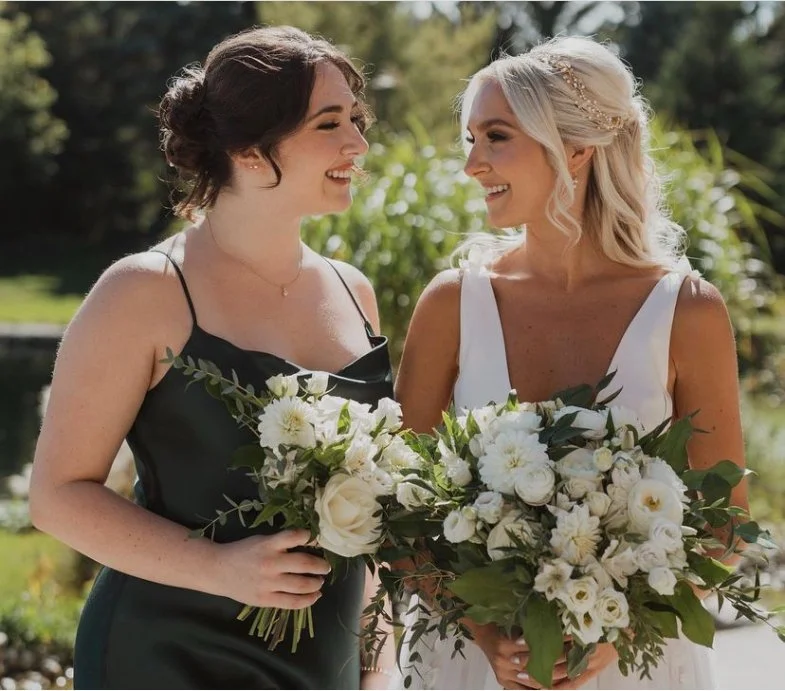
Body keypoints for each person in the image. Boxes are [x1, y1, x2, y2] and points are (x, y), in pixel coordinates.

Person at [29, 26, 395, 690]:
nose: (357, 144)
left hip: (325, 661)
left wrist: (378, 655)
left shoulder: (353, 290)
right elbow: (57, 496)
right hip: (170, 657)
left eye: (356, 120)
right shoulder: (143, 292)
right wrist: (217, 567)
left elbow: (368, 505)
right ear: (250, 150)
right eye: (329, 123)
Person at [392, 36, 747, 690]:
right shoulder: (451, 304)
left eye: (494, 136)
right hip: (471, 666)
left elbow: (722, 528)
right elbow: (405, 509)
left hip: (635, 666)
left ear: (576, 150)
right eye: (468, 139)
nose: (471, 164)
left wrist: (615, 632)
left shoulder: (686, 311)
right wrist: (486, 635)